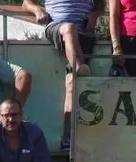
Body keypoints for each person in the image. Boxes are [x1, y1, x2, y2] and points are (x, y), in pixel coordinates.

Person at [22, 0, 102, 149]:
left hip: (84, 33)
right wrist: (37, 10)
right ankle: (79, 68)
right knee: (69, 28)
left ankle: (67, 139)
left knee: (72, 83)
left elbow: (100, 3)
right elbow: (26, 3)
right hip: (58, 28)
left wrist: (95, 14)